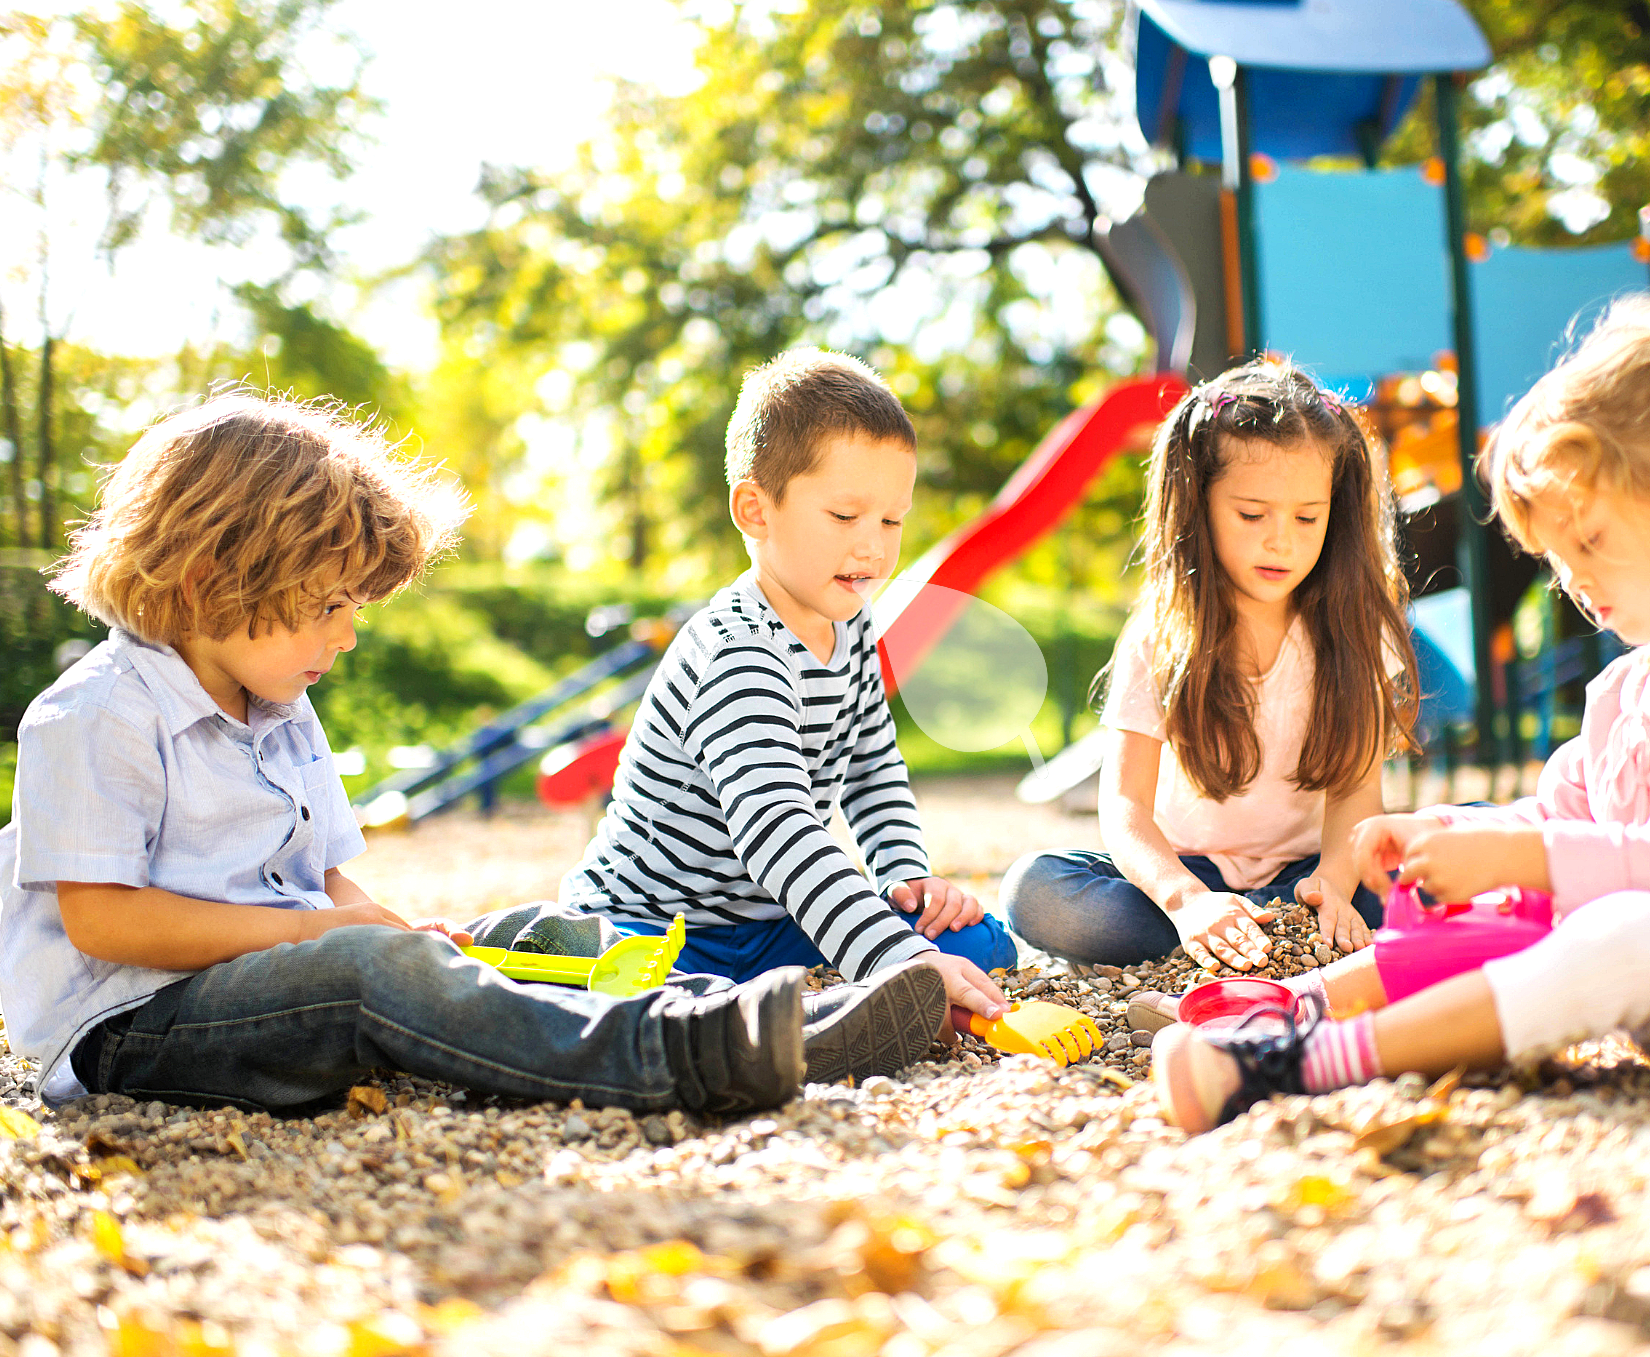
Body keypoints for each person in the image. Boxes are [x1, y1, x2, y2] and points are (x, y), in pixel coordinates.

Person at [0, 392, 949, 1115]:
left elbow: (327, 885)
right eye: (331, 606)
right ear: (212, 580)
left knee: (535, 931)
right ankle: (690, 1057)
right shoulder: (95, 713)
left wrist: (392, 926)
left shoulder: (279, 704)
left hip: (282, 977)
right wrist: (333, 941)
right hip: (136, 1029)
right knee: (374, 976)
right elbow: (103, 922)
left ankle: (753, 1013)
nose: (349, 637)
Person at [1154, 298, 1650, 1133]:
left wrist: (1522, 849)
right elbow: (1564, 817)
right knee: (1507, 892)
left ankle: (1309, 1060)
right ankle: (1298, 1004)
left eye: (1591, 542)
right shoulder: (1634, 683)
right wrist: (1444, 829)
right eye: (1558, 558)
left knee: (1616, 920)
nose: (1573, 582)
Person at [560, 349, 1013, 1054]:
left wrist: (905, 880)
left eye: (893, 521)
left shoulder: (853, 624)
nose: (873, 545)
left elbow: (872, 768)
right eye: (844, 514)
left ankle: (803, 1002)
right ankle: (779, 1019)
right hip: (652, 924)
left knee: (981, 941)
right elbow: (779, 832)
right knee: (656, 1014)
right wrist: (901, 958)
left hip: (771, 919)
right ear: (756, 509)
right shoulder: (740, 651)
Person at [998, 358, 1418, 973]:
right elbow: (1125, 809)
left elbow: (1357, 790)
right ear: (1199, 505)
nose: (1283, 540)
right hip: (1187, 873)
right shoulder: (1159, 637)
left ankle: (1281, 920)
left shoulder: (1356, 629)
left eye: (1308, 517)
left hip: (1315, 873)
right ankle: (1247, 927)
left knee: (1474, 843)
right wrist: (1188, 901)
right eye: (1253, 515)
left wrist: (1336, 882)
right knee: (1036, 890)